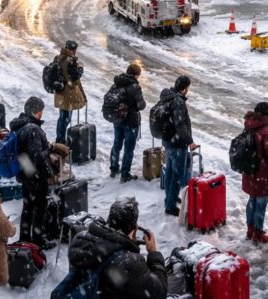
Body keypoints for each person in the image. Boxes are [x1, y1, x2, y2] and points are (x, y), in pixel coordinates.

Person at [65, 197, 168, 298]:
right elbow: (160, 293)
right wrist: (153, 253)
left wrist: (127, 243)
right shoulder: (130, 262)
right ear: (135, 229)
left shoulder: (83, 240)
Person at [12, 96, 69, 248]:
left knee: (27, 207)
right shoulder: (33, 130)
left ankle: (24, 238)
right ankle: (37, 241)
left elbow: (26, 152)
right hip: (35, 176)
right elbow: (37, 156)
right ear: (37, 112)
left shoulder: (21, 124)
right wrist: (48, 171)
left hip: (25, 172)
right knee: (39, 208)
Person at [155, 76, 197, 216]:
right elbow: (180, 125)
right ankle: (170, 206)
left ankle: (169, 198)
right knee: (177, 175)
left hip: (168, 141)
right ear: (184, 89)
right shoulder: (178, 102)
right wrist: (190, 141)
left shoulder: (168, 97)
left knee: (170, 172)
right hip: (177, 143)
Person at [242, 101, 268, 244]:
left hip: (250, 170)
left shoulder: (249, 124)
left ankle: (250, 229)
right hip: (263, 172)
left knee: (252, 200)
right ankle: (257, 233)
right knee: (261, 203)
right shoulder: (266, 131)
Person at [107, 63, 147, 183]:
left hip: (118, 119)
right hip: (131, 121)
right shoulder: (135, 87)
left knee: (117, 144)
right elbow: (141, 105)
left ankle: (114, 168)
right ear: (136, 75)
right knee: (128, 149)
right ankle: (125, 174)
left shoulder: (117, 83)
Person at [54, 40, 87, 144]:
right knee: (66, 118)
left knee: (62, 118)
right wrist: (80, 68)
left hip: (59, 92)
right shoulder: (70, 61)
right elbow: (75, 77)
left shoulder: (58, 58)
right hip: (68, 94)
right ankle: (61, 140)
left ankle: (59, 138)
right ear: (73, 50)